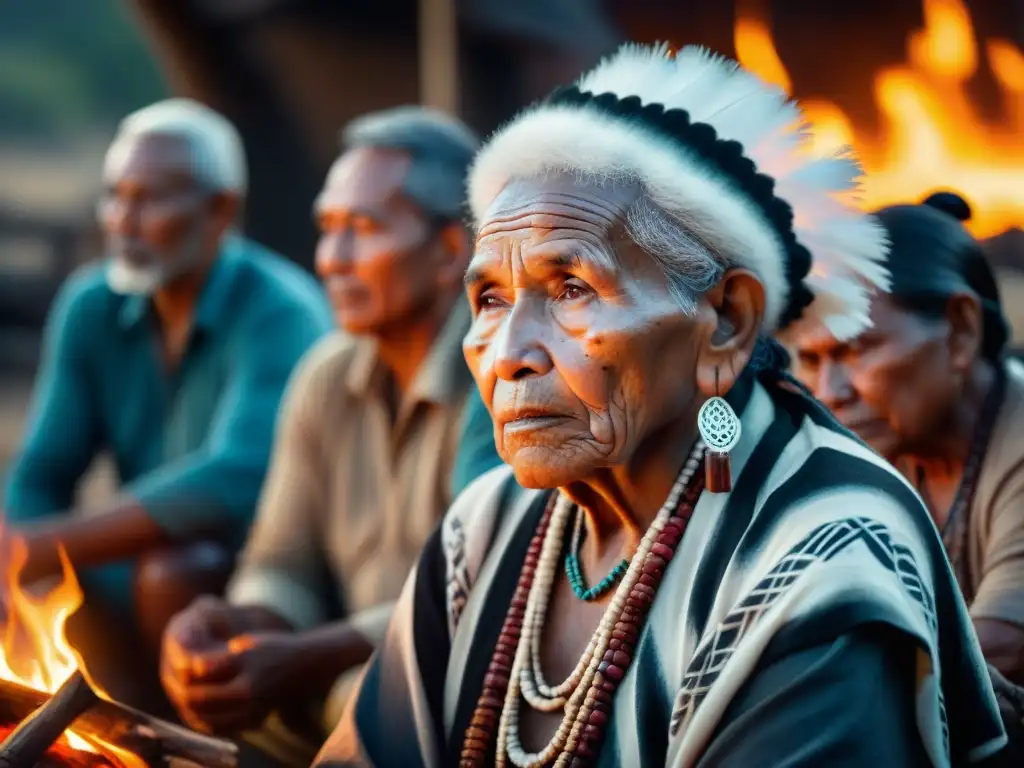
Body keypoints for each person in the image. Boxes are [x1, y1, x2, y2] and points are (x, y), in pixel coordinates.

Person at [317, 45, 1008, 767]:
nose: (508, 351)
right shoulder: (484, 529)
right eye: (489, 298)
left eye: (572, 288)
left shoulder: (825, 559)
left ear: (727, 322)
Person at [158, 107, 503, 764]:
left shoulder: (497, 375)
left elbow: (473, 587)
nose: (332, 260)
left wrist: (309, 656)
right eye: (327, 229)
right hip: (337, 667)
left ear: (449, 253)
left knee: (362, 693)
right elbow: (279, 560)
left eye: (363, 229)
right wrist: (240, 625)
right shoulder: (325, 375)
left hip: (462, 678)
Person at [1, 99, 335, 703]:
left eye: (151, 199)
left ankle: (181, 739)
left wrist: (31, 548)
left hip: (257, 577)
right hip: (127, 568)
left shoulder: (280, 310)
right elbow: (40, 472)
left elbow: (233, 479)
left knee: (175, 569)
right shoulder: (90, 306)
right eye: (115, 195)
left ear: (219, 210)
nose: (124, 220)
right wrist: (14, 552)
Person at [793, 192, 1024, 684]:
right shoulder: (886, 451)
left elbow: (999, 654)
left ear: (961, 332)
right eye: (811, 361)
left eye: (856, 350)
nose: (829, 393)